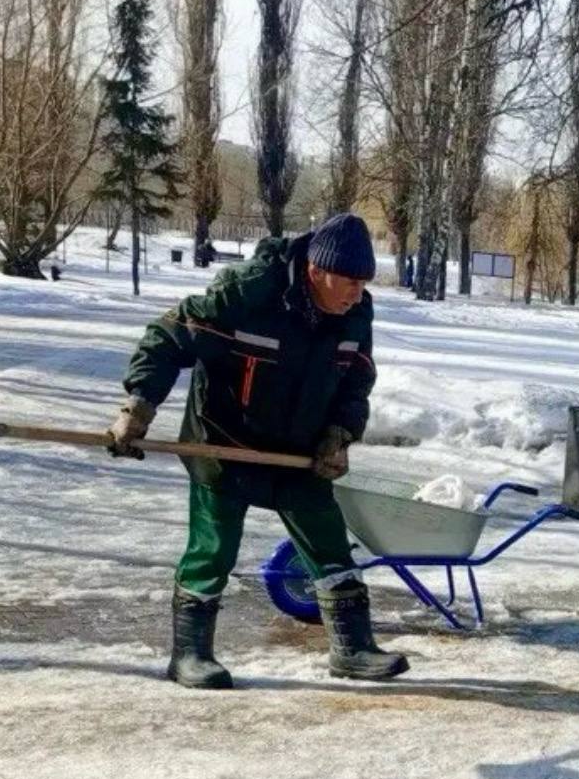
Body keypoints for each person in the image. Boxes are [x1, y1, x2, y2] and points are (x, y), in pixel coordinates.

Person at [105, 212, 407, 690]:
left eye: (364, 282)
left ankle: (353, 648)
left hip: (299, 448)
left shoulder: (355, 315)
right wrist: (139, 406)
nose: (357, 293)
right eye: (349, 281)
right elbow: (167, 337)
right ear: (314, 270)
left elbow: (356, 381)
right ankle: (190, 655)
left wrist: (339, 433)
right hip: (224, 440)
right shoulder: (249, 296)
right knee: (214, 546)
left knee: (327, 538)